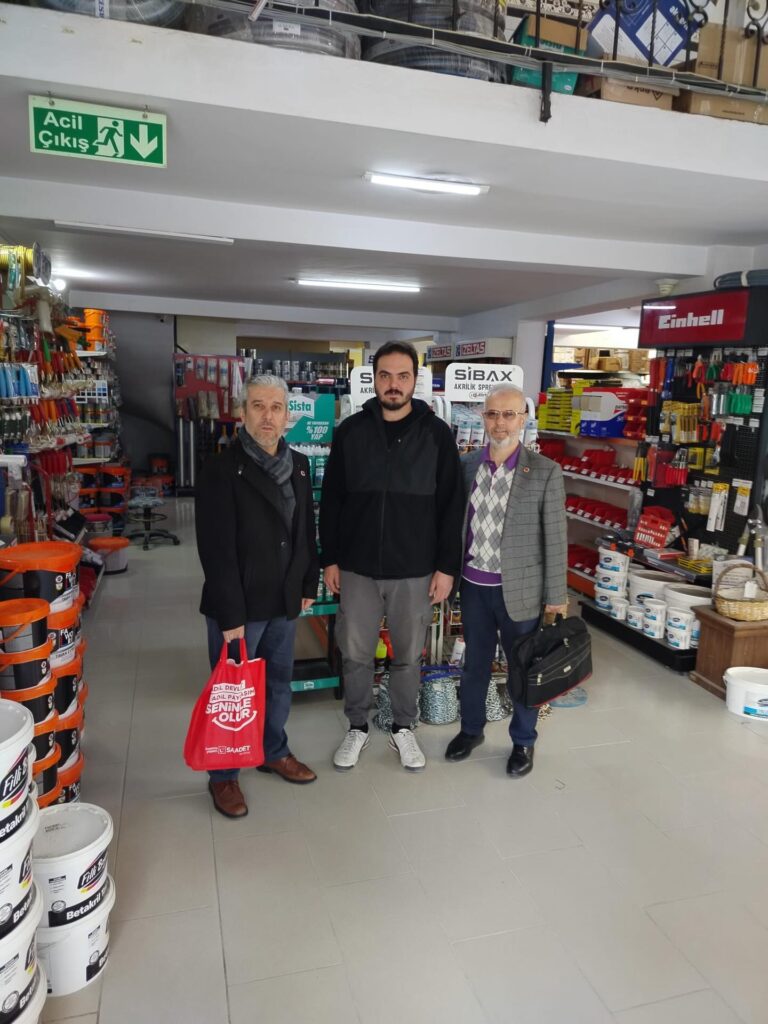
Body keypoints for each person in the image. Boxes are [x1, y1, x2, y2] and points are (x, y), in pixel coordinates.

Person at [320, 342, 464, 772]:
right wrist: (330, 558)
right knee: (355, 654)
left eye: (403, 376)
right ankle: (357, 726)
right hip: (357, 568)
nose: (393, 384)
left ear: (415, 381)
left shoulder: (437, 434)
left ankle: (404, 727)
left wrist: (446, 567)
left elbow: (452, 507)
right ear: (374, 379)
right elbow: (332, 501)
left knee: (407, 656)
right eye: (385, 375)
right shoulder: (350, 432)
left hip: (415, 570)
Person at [195, 374, 319, 819]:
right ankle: (223, 775)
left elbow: (305, 530)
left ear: (287, 417)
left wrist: (307, 584)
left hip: (283, 599)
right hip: (240, 606)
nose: (268, 416)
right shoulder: (221, 469)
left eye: (276, 407)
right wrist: (229, 614)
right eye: (258, 406)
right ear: (242, 412)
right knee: (232, 694)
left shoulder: (298, 464)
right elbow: (215, 550)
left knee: (278, 684)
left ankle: (272, 750)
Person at [444, 383, 568, 777]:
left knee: (523, 669)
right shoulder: (466, 466)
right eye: (493, 414)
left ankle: (523, 741)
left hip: (522, 592)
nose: (500, 423)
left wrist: (557, 595)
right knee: (475, 666)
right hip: (474, 587)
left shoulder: (544, 471)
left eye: (509, 414)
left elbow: (555, 538)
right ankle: (471, 730)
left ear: (523, 419)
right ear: (483, 417)